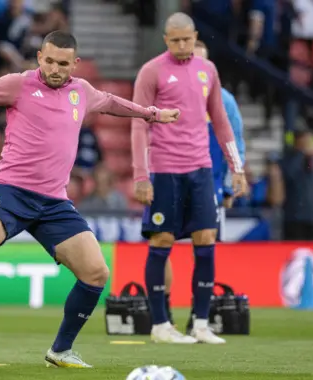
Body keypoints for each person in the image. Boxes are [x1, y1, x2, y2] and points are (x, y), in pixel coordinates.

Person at [0, 30, 180, 368]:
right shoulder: (18, 84)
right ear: (40, 57)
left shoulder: (82, 92)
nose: (55, 68)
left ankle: (60, 350)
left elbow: (112, 103)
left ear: (75, 64)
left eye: (63, 63)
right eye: (50, 61)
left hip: (53, 203)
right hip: (10, 192)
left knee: (96, 272)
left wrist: (151, 114)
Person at [131, 13, 246, 345]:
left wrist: (236, 168)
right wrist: (141, 174)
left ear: (195, 37)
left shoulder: (207, 70)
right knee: (161, 242)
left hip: (201, 170)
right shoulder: (151, 71)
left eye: (187, 40)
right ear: (166, 39)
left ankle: (200, 322)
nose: (182, 46)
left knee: (206, 240)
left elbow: (221, 121)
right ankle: (160, 324)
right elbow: (138, 123)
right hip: (165, 171)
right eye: (175, 40)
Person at [159, 39, 247, 325]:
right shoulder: (164, 96)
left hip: (207, 183)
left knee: (204, 249)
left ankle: (199, 317)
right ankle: (164, 314)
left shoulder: (224, 100)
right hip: (169, 179)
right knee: (162, 246)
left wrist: (232, 178)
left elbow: (234, 142)